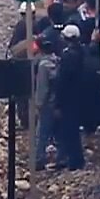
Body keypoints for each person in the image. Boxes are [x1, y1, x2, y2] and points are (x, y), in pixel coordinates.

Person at [52, 23, 86, 171]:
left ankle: (74, 161)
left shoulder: (68, 57)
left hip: (67, 100)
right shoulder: (82, 52)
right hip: (78, 97)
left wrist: (57, 104)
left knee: (69, 131)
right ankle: (76, 159)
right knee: (74, 131)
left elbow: (62, 82)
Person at [33, 31, 60, 170]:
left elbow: (42, 88)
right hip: (57, 103)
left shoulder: (43, 66)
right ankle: (60, 156)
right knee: (57, 132)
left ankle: (39, 160)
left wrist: (38, 104)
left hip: (47, 105)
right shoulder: (57, 61)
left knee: (41, 133)